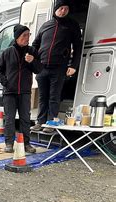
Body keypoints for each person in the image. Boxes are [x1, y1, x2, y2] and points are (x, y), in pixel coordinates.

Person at [30, 0, 82, 133]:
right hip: (42, 67)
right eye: (61, 8)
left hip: (59, 68)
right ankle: (40, 122)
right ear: (55, 9)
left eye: (66, 8)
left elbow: (77, 47)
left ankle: (51, 123)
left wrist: (73, 65)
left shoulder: (72, 25)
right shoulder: (46, 25)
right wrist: (34, 61)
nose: (63, 11)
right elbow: (35, 44)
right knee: (42, 97)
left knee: (54, 96)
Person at [0, 24, 43, 153]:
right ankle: (9, 143)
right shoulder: (7, 52)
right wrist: (6, 82)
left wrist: (33, 61)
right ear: (17, 37)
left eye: (29, 35)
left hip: (25, 91)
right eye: (24, 35)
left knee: (25, 119)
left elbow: (39, 69)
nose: (27, 38)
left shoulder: (32, 51)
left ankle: (26, 144)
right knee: (9, 119)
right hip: (10, 92)